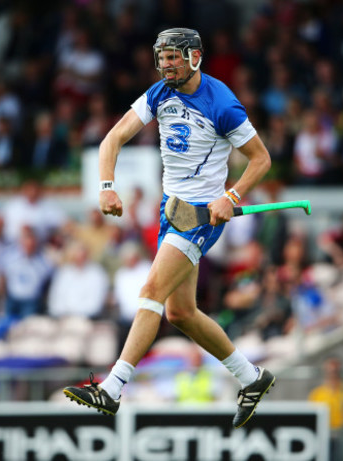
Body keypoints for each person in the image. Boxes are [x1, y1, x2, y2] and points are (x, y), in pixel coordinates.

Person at [64, 28, 274, 428]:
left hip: (199, 217)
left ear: (195, 56)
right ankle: (252, 376)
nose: (166, 65)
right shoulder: (160, 93)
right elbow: (113, 139)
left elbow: (260, 159)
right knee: (180, 313)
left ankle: (111, 388)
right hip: (170, 211)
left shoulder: (222, 103)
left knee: (151, 293)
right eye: (162, 58)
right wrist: (107, 186)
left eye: (173, 57)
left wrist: (230, 197)